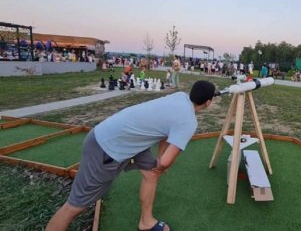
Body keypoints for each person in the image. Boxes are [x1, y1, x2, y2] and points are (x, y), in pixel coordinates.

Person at [46, 80, 216, 231]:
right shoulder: (188, 121)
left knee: (151, 173)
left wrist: (158, 161)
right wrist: (162, 164)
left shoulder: (179, 96)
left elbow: (166, 133)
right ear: (208, 103)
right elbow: (166, 161)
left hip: (124, 138)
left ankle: (146, 222)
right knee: (75, 206)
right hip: (106, 147)